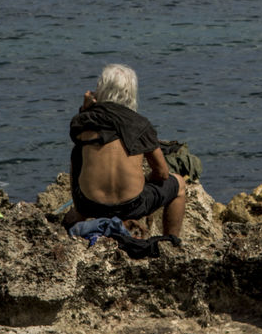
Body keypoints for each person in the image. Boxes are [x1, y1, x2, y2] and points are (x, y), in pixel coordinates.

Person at [63, 64, 186, 238]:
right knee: (179, 184)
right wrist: (145, 180)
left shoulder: (84, 121)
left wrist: (86, 108)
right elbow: (163, 173)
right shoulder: (140, 124)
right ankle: (171, 242)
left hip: (90, 205)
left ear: (101, 89)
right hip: (132, 206)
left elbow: (77, 128)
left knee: (78, 152)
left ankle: (80, 213)